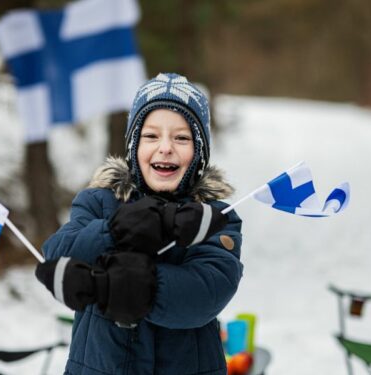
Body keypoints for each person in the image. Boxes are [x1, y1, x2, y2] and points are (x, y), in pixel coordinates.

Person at [35, 73, 244, 375]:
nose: (165, 147)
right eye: (151, 136)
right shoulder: (99, 202)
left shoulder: (213, 217)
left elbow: (207, 291)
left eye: (181, 137)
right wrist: (114, 230)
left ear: (199, 152)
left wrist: (108, 285)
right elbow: (58, 254)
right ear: (134, 146)